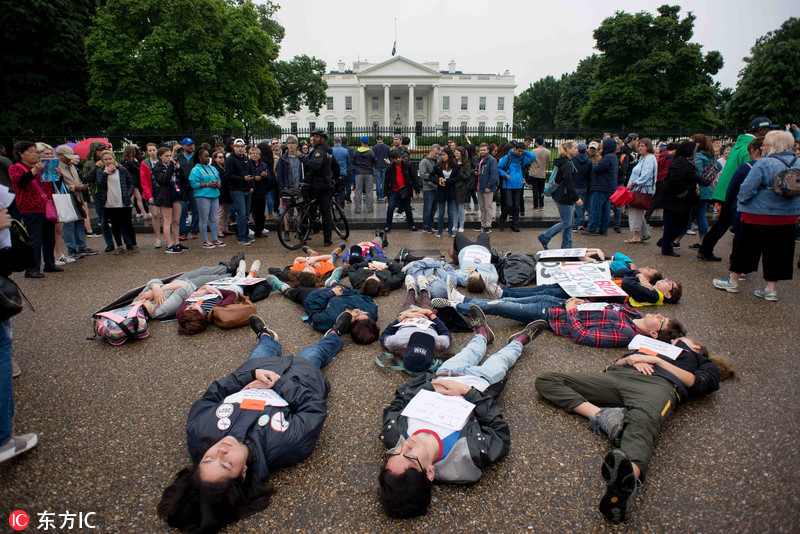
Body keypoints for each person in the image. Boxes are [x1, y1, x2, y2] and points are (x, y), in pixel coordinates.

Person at [158, 315, 345, 533]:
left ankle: (266, 335)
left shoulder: (198, 431)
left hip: (255, 369)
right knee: (315, 352)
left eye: (208, 458)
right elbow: (314, 407)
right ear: (243, 473)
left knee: (263, 348)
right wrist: (279, 384)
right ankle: (334, 334)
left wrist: (250, 374)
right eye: (226, 464)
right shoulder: (287, 444)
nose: (221, 451)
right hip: (301, 378)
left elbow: (213, 394)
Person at [535, 338, 736, 523]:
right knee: (547, 379)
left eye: (677, 340)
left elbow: (698, 383)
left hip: (658, 386)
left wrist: (655, 361)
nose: (672, 341)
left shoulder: (699, 360)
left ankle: (624, 485)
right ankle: (601, 416)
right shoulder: (650, 346)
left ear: (696, 347)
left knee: (642, 422)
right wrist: (632, 360)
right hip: (619, 377)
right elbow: (616, 364)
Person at [377, 316, 547, 518]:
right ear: (430, 473)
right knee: (501, 360)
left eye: (395, 454)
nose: (404, 446)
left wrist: (430, 383)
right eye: (410, 457)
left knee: (469, 352)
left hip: (444, 374)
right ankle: (519, 341)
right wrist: (468, 391)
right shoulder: (468, 457)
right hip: (481, 383)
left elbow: (400, 399)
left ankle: (483, 335)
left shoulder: (392, 436)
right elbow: (499, 431)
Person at [712, 130, 800, 301]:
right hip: (788, 216)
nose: (763, 147)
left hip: (758, 213)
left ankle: (734, 280)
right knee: (779, 252)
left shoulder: (764, 163)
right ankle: (771, 288)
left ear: (773, 145)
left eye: (765, 144)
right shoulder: (797, 163)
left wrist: (742, 203)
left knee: (745, 247)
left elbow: (746, 188)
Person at [434, 295, 685, 348]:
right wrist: (582, 302)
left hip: (554, 316)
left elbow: (583, 336)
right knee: (508, 300)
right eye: (663, 315)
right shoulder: (636, 316)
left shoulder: (626, 334)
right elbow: (606, 306)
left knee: (505, 307)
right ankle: (464, 298)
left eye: (662, 321)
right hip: (561, 304)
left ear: (654, 335)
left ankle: (457, 306)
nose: (658, 314)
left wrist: (571, 310)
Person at [700, 117, 781, 261]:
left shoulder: (740, 144)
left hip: (726, 191)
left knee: (724, 223)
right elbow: (752, 172)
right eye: (768, 129)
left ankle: (706, 248)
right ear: (760, 130)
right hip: (736, 193)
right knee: (739, 226)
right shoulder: (749, 146)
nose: (770, 132)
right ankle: (736, 258)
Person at [265, 277, 379, 343]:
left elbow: (312, 310)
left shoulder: (331, 321)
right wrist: (346, 291)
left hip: (317, 296)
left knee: (299, 292)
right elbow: (364, 296)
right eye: (364, 314)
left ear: (351, 326)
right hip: (342, 290)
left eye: (357, 315)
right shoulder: (371, 311)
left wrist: (330, 293)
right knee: (338, 284)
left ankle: (284, 289)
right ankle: (333, 281)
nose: (359, 310)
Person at [379, 275, 451, 370]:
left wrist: (402, 317)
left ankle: (411, 290)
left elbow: (384, 336)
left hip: (407, 318)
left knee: (408, 303)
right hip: (426, 318)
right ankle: (424, 290)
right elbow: (446, 334)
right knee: (426, 303)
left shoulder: (396, 342)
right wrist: (430, 314)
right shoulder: (438, 343)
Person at [9, 141, 58, 278]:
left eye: (35, 151)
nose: (34, 154)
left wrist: (57, 176)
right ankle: (32, 269)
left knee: (49, 239)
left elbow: (50, 186)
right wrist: (34, 171)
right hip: (30, 208)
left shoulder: (42, 167)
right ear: (21, 153)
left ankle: (49, 264)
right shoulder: (16, 168)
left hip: (46, 207)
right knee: (35, 240)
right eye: (30, 151)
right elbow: (19, 183)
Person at [675, 134, 719, 249]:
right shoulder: (710, 156)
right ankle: (702, 240)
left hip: (698, 190)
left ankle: (677, 239)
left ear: (698, 144)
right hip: (707, 189)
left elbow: (696, 173)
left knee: (688, 216)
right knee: (701, 216)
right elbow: (718, 166)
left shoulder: (699, 156)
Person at [54, 145, 98, 259]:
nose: (69, 159)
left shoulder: (72, 166)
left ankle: (82, 246)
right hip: (67, 198)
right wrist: (74, 187)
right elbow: (56, 186)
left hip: (78, 197)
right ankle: (71, 248)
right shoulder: (57, 167)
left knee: (80, 221)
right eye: (66, 157)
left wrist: (80, 187)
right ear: (60, 155)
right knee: (69, 224)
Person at [657, 141, 699, 257]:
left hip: (680, 199)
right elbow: (674, 181)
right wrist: (683, 193)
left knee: (681, 223)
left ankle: (665, 242)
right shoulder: (680, 162)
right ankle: (666, 246)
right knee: (674, 224)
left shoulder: (685, 161)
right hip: (675, 200)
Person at [538, 141, 582, 249]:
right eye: (575, 148)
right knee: (567, 222)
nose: (577, 150)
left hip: (563, 195)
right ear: (568, 149)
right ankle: (545, 236)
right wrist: (576, 198)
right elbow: (568, 182)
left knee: (569, 222)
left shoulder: (565, 162)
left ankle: (567, 245)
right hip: (564, 196)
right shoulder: (567, 164)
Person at [304, 128, 338, 247]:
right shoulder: (328, 151)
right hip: (326, 184)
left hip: (317, 184)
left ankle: (308, 230)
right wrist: (335, 179)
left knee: (310, 208)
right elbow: (336, 166)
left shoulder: (319, 151)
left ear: (323, 139)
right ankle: (327, 240)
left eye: (317, 137)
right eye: (313, 136)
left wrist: (302, 158)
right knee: (326, 212)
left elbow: (316, 165)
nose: (314, 138)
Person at [153, 147, 187, 254]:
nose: (169, 158)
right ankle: (169, 244)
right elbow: (163, 180)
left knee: (176, 221)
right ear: (160, 157)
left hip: (176, 194)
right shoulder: (157, 168)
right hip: (165, 196)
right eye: (166, 156)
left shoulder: (173, 167)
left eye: (169, 156)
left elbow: (184, 179)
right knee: (168, 221)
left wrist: (179, 169)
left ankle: (176, 242)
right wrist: (171, 168)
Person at [189, 148, 225, 249]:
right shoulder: (196, 169)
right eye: (205, 156)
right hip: (203, 196)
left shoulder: (212, 168)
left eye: (208, 156)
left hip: (214, 195)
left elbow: (218, 179)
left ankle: (215, 238)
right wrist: (208, 184)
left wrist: (218, 183)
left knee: (213, 218)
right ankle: (205, 240)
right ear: (199, 157)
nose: (207, 158)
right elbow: (194, 183)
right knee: (204, 218)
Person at [583, 138, 619, 236]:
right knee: (606, 209)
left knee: (596, 208)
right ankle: (603, 228)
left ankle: (592, 228)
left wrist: (592, 165)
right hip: (610, 187)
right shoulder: (614, 156)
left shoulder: (607, 157)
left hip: (601, 186)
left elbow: (599, 169)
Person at [497, 141, 536, 232]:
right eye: (519, 151)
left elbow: (533, 156)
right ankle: (502, 219)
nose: (520, 153)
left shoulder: (522, 158)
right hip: (508, 184)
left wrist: (524, 151)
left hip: (518, 185)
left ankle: (514, 224)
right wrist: (505, 175)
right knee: (508, 204)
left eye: (522, 151)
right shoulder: (507, 158)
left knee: (516, 206)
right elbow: (499, 168)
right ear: (514, 149)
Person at [624, 138, 657, 243]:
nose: (640, 148)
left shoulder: (649, 159)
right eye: (639, 146)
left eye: (643, 146)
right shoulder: (643, 158)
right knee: (637, 213)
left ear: (648, 147)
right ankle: (642, 234)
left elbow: (646, 175)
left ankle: (636, 236)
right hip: (639, 189)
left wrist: (634, 184)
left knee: (635, 212)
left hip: (640, 190)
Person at [225, 139, 254, 246]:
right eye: (238, 146)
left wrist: (251, 186)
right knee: (241, 214)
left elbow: (250, 173)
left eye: (242, 146)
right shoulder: (230, 159)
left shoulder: (246, 159)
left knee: (246, 214)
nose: (240, 148)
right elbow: (228, 175)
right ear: (234, 147)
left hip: (247, 189)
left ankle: (245, 234)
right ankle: (241, 237)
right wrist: (243, 179)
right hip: (237, 190)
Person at [383, 149, 418, 232]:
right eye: (397, 158)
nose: (399, 159)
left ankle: (411, 224)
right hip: (394, 191)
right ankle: (388, 225)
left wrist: (416, 190)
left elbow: (413, 178)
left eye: (400, 157)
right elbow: (386, 181)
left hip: (405, 190)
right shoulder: (390, 168)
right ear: (393, 159)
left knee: (407, 208)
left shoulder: (407, 165)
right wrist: (385, 194)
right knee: (391, 207)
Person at [140, 143, 165, 247]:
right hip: (151, 191)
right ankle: (158, 238)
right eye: (150, 150)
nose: (152, 152)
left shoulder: (162, 162)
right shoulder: (145, 163)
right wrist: (148, 194)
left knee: (165, 215)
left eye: (154, 150)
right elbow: (144, 180)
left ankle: (166, 236)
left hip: (162, 190)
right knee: (155, 215)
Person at [176, 138, 200, 241]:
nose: (191, 146)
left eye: (192, 144)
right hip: (182, 187)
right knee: (183, 210)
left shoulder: (196, 157)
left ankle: (194, 231)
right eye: (189, 145)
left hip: (194, 186)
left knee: (195, 209)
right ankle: (183, 232)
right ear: (183, 146)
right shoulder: (177, 158)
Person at [432, 147, 458, 238]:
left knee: (450, 212)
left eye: (444, 155)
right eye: (441, 155)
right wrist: (438, 181)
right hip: (441, 190)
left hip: (450, 190)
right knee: (441, 212)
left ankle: (450, 230)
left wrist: (447, 180)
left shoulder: (455, 166)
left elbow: (458, 178)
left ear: (449, 155)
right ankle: (439, 230)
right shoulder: (438, 165)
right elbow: (431, 176)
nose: (442, 157)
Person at [247, 147, 273, 239]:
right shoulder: (247, 164)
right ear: (249, 154)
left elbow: (269, 178)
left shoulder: (263, 165)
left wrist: (266, 176)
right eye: (252, 153)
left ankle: (259, 231)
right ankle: (243, 231)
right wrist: (254, 178)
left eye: (256, 153)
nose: (254, 155)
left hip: (261, 191)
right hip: (251, 191)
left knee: (260, 213)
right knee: (247, 212)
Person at [474, 143, 499, 233]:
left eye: (484, 150)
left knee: (488, 207)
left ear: (488, 150)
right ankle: (483, 224)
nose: (482, 151)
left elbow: (494, 175)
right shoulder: (480, 159)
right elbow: (477, 169)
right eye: (481, 150)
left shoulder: (492, 160)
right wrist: (476, 172)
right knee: (482, 207)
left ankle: (488, 225)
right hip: (479, 186)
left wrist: (489, 186)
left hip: (487, 187)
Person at [419, 145, 441, 233]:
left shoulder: (437, 161)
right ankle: (426, 226)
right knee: (427, 209)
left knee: (434, 209)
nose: (437, 155)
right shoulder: (424, 162)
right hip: (428, 188)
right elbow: (423, 175)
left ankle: (430, 225)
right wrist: (433, 177)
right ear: (431, 151)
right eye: (436, 153)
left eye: (438, 154)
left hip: (436, 188)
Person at [353, 136, 377, 214]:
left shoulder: (356, 151)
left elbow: (353, 161)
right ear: (368, 143)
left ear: (361, 142)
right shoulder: (371, 152)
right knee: (369, 191)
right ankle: (369, 208)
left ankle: (358, 208)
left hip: (359, 173)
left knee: (358, 191)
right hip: (369, 173)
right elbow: (375, 161)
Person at [572, 142, 592, 230]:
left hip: (574, 184)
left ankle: (574, 224)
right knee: (581, 205)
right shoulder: (588, 161)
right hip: (584, 185)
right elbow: (590, 174)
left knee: (573, 205)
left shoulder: (573, 160)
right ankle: (580, 222)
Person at [452, 146, 472, 233]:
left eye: (457, 153)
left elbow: (467, 176)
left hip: (461, 188)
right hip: (453, 187)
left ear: (462, 154)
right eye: (455, 153)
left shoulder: (466, 164)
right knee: (454, 208)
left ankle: (461, 225)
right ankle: (454, 225)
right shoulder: (453, 162)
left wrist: (458, 173)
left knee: (461, 208)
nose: (455, 154)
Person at [211, 150, 230, 239]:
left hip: (226, 191)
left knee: (226, 211)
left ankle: (225, 228)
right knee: (220, 212)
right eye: (220, 157)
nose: (222, 159)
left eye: (223, 157)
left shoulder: (224, 168)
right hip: (219, 192)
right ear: (215, 159)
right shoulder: (214, 168)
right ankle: (218, 230)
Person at [529, 137, 550, 211]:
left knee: (535, 189)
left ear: (536, 142)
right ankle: (541, 205)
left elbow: (530, 161)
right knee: (541, 189)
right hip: (542, 172)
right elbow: (547, 161)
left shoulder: (534, 151)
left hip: (534, 172)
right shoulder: (548, 152)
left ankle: (536, 205)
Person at [332, 137, 351, 208]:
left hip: (334, 173)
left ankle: (336, 205)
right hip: (343, 173)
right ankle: (342, 205)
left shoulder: (331, 151)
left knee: (335, 190)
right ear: (340, 142)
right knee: (342, 190)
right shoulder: (345, 151)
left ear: (334, 142)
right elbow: (348, 162)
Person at [373, 135, 390, 201]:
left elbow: (373, 157)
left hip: (377, 165)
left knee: (377, 181)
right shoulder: (387, 147)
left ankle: (378, 195)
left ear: (376, 140)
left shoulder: (374, 148)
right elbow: (389, 156)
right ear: (382, 139)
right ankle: (383, 194)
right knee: (384, 181)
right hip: (384, 165)